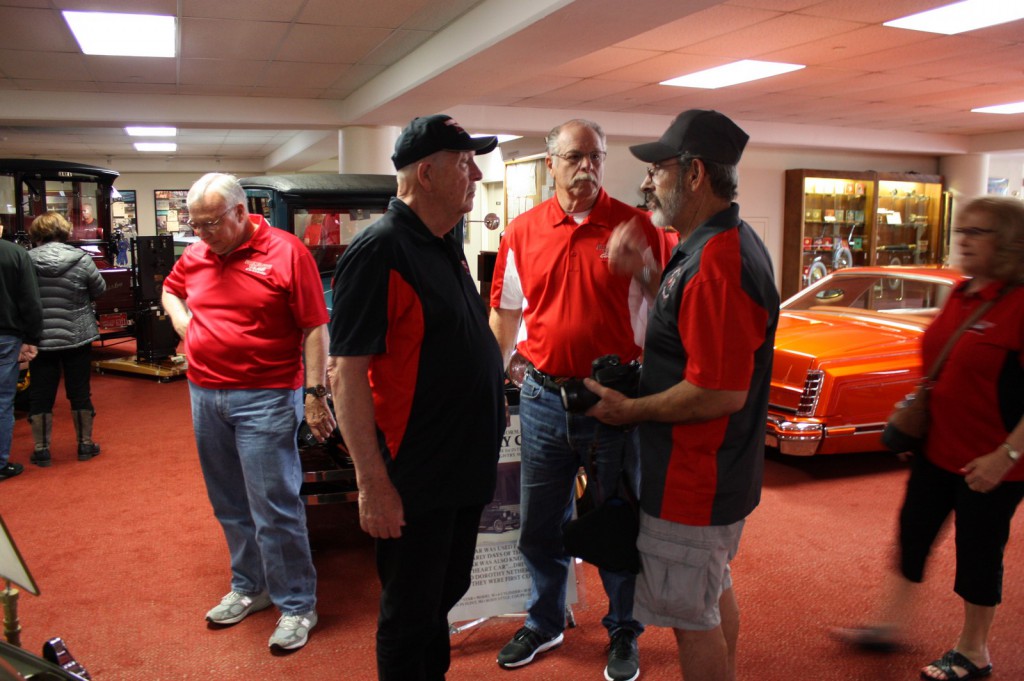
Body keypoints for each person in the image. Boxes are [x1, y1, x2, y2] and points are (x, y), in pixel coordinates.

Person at [585, 109, 779, 681]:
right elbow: (692, 323)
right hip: (709, 475)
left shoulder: (717, 262)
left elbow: (719, 392)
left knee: (692, 620)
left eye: (659, 169)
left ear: (694, 175)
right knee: (710, 596)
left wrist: (629, 410)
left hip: (696, 480)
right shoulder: (710, 247)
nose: (648, 181)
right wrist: (646, 276)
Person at [328, 114, 505, 681]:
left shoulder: (442, 241)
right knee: (409, 614)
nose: (476, 174)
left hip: (459, 467)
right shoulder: (380, 249)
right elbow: (345, 375)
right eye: (465, 163)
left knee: (442, 595)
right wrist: (372, 483)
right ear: (426, 174)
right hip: (415, 474)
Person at [489, 118, 664, 681]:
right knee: (540, 524)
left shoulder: (637, 226)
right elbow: (507, 313)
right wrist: (494, 379)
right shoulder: (522, 231)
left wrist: (646, 268)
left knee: (617, 520)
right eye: (574, 157)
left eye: (596, 156)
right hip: (543, 400)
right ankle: (545, 621)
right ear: (551, 164)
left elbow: (669, 310)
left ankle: (624, 628)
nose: (586, 167)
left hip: (614, 402)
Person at [833, 195, 1024, 681]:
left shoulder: (1020, 305)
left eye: (978, 232)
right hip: (936, 449)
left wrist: (1005, 455)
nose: (964, 240)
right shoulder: (960, 292)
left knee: (979, 553)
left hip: (990, 464)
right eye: (962, 230)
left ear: (1009, 242)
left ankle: (974, 651)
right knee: (912, 535)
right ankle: (888, 625)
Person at [160, 173, 335, 653]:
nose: (202, 234)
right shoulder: (197, 253)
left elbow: (315, 328)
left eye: (210, 223)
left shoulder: (286, 252)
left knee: (274, 506)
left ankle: (297, 604)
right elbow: (171, 289)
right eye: (195, 225)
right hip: (204, 394)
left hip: (266, 396)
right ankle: (250, 586)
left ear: (240, 212)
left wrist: (315, 393)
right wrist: (182, 320)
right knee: (229, 502)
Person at [26, 212, 106, 467]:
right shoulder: (81, 259)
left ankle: (42, 450)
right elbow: (100, 289)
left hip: (41, 337)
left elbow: (20, 296)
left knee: (40, 393)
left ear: (36, 233)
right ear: (65, 231)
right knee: (79, 391)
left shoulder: (26, 260)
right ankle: (85, 445)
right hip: (78, 333)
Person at [0, 224, 43, 481]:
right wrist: (32, 338)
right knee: (2, 401)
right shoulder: (15, 254)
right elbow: (30, 300)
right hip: (6, 335)